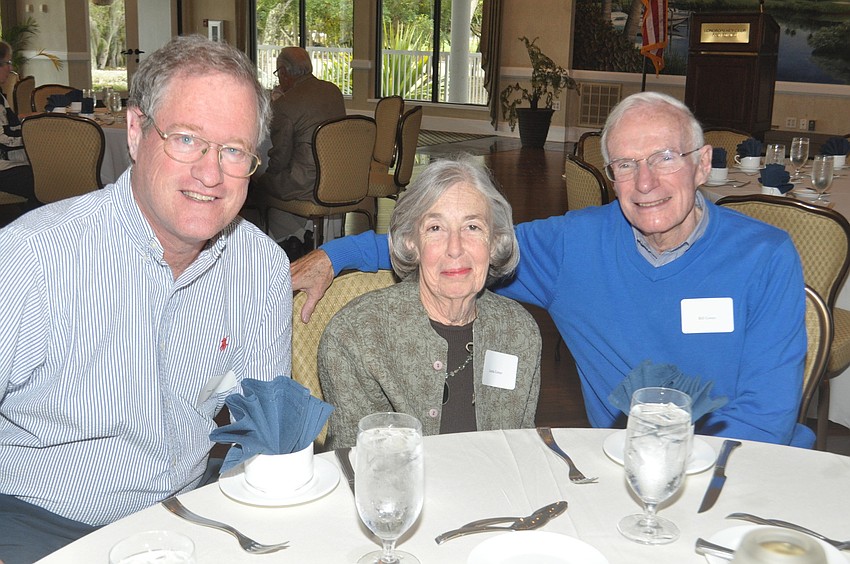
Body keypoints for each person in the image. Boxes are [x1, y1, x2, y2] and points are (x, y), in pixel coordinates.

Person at [293, 91, 812, 448]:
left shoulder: (764, 255)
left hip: (742, 468)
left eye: (665, 158)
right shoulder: (575, 246)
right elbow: (459, 245)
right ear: (610, 176)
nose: (646, 181)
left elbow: (765, 417)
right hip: (620, 467)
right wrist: (334, 254)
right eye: (627, 164)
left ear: (702, 164)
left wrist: (688, 474)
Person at [0, 36, 292, 563]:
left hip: (191, 513)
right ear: (136, 133)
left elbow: (263, 432)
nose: (210, 174)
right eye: (186, 139)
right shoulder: (32, 259)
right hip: (40, 521)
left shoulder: (261, 268)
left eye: (233, 150)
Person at [319, 156, 541, 449]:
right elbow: (360, 465)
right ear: (412, 242)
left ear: (495, 241)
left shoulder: (518, 332)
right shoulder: (358, 335)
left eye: (472, 227)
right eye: (435, 228)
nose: (455, 248)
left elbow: (519, 452)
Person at [250, 46, 346, 254]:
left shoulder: (286, 105)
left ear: (284, 73)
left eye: (279, 74)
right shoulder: (333, 91)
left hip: (308, 185)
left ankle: (281, 245)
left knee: (255, 183)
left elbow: (280, 158)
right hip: (341, 180)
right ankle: (302, 235)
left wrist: (264, 177)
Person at [0, 40, 35, 209]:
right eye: (7, 63)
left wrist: (27, 118)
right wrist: (35, 138)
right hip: (2, 168)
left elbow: (5, 122)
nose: (10, 68)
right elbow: (4, 140)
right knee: (49, 181)